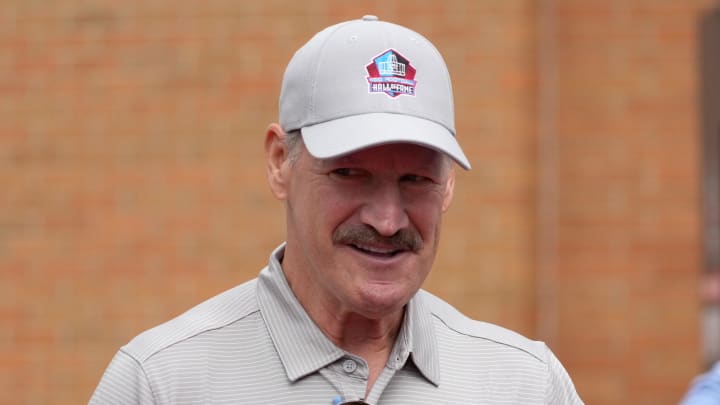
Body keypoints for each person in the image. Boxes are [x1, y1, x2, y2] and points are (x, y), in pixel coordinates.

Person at [90, 15, 583, 404]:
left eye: (416, 180)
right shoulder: (161, 385)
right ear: (280, 161)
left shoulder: (525, 386)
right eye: (349, 174)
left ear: (448, 185)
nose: (387, 220)